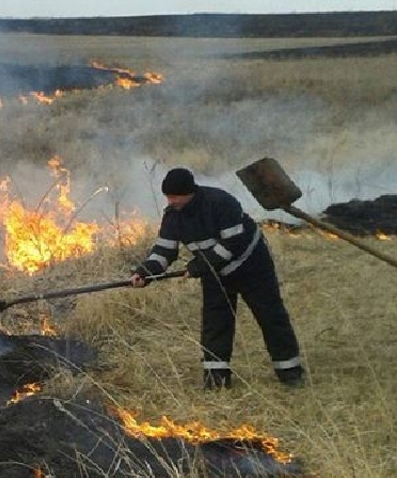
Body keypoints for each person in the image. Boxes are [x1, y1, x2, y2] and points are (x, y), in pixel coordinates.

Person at [130, 167, 306, 389]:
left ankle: (290, 372)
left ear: (189, 192)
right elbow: (164, 250)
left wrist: (198, 267)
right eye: (168, 196)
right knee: (216, 323)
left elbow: (232, 244)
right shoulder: (173, 215)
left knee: (270, 315)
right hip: (215, 271)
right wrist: (145, 272)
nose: (171, 201)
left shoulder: (221, 202)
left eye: (175, 196)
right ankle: (216, 380)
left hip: (251, 266)